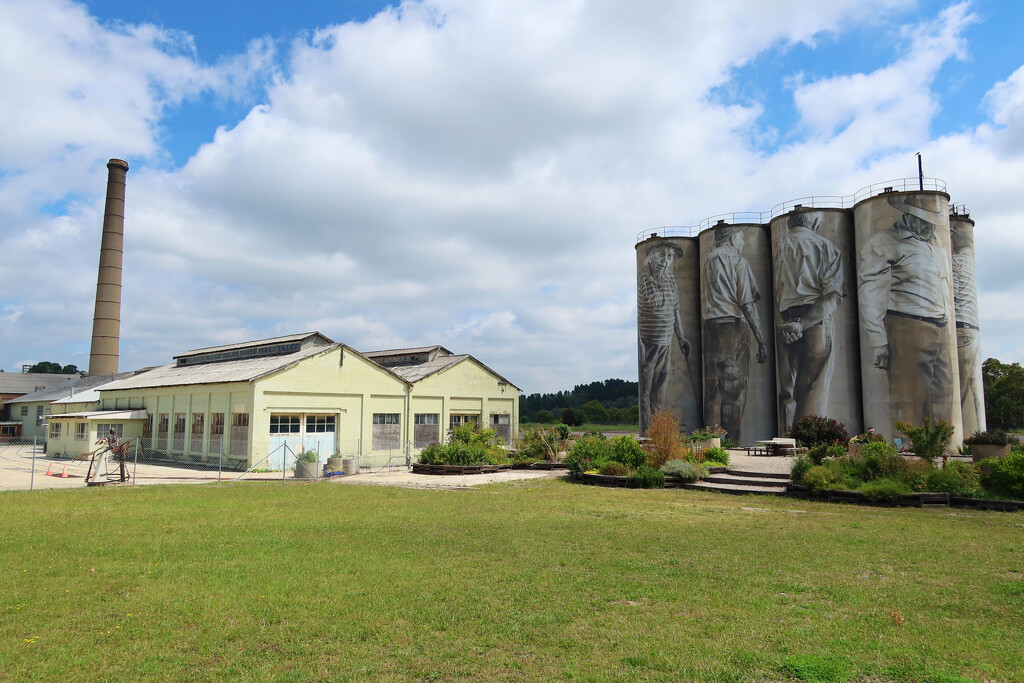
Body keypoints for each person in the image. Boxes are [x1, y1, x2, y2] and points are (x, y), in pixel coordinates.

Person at [859, 194, 954, 425]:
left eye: (933, 221)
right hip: (907, 326)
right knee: (910, 401)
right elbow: (869, 294)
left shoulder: (935, 242)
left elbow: (943, 283)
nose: (929, 226)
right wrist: (879, 341)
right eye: (923, 219)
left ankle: (942, 452)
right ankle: (911, 454)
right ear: (909, 215)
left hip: (940, 327)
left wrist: (948, 323)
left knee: (944, 396)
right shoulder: (884, 242)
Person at [774, 211, 844, 430]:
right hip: (815, 323)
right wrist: (802, 323)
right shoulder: (824, 246)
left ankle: (787, 442)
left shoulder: (779, 247)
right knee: (813, 390)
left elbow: (776, 291)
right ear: (814, 221)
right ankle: (807, 447)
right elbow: (833, 295)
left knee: (788, 391)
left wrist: (788, 324)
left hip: (785, 322)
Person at [702, 225, 766, 444]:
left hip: (710, 325)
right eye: (740, 238)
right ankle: (732, 444)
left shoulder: (708, 259)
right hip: (732, 326)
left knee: (713, 389)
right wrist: (761, 338)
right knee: (735, 390)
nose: (743, 242)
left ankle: (711, 442)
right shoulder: (739, 261)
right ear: (731, 238)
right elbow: (748, 303)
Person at [637, 241, 690, 432]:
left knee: (659, 392)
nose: (665, 261)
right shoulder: (645, 277)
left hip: (666, 340)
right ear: (650, 256)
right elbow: (656, 303)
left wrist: (681, 337)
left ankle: (658, 433)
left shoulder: (669, 277)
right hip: (649, 343)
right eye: (661, 254)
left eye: (669, 257)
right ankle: (646, 433)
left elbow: (675, 308)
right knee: (645, 391)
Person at [951, 223, 984, 433]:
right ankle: (980, 434)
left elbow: (949, 293)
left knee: (957, 393)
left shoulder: (955, 263)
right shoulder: (968, 259)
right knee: (975, 388)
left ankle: (951, 437)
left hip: (961, 328)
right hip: (973, 330)